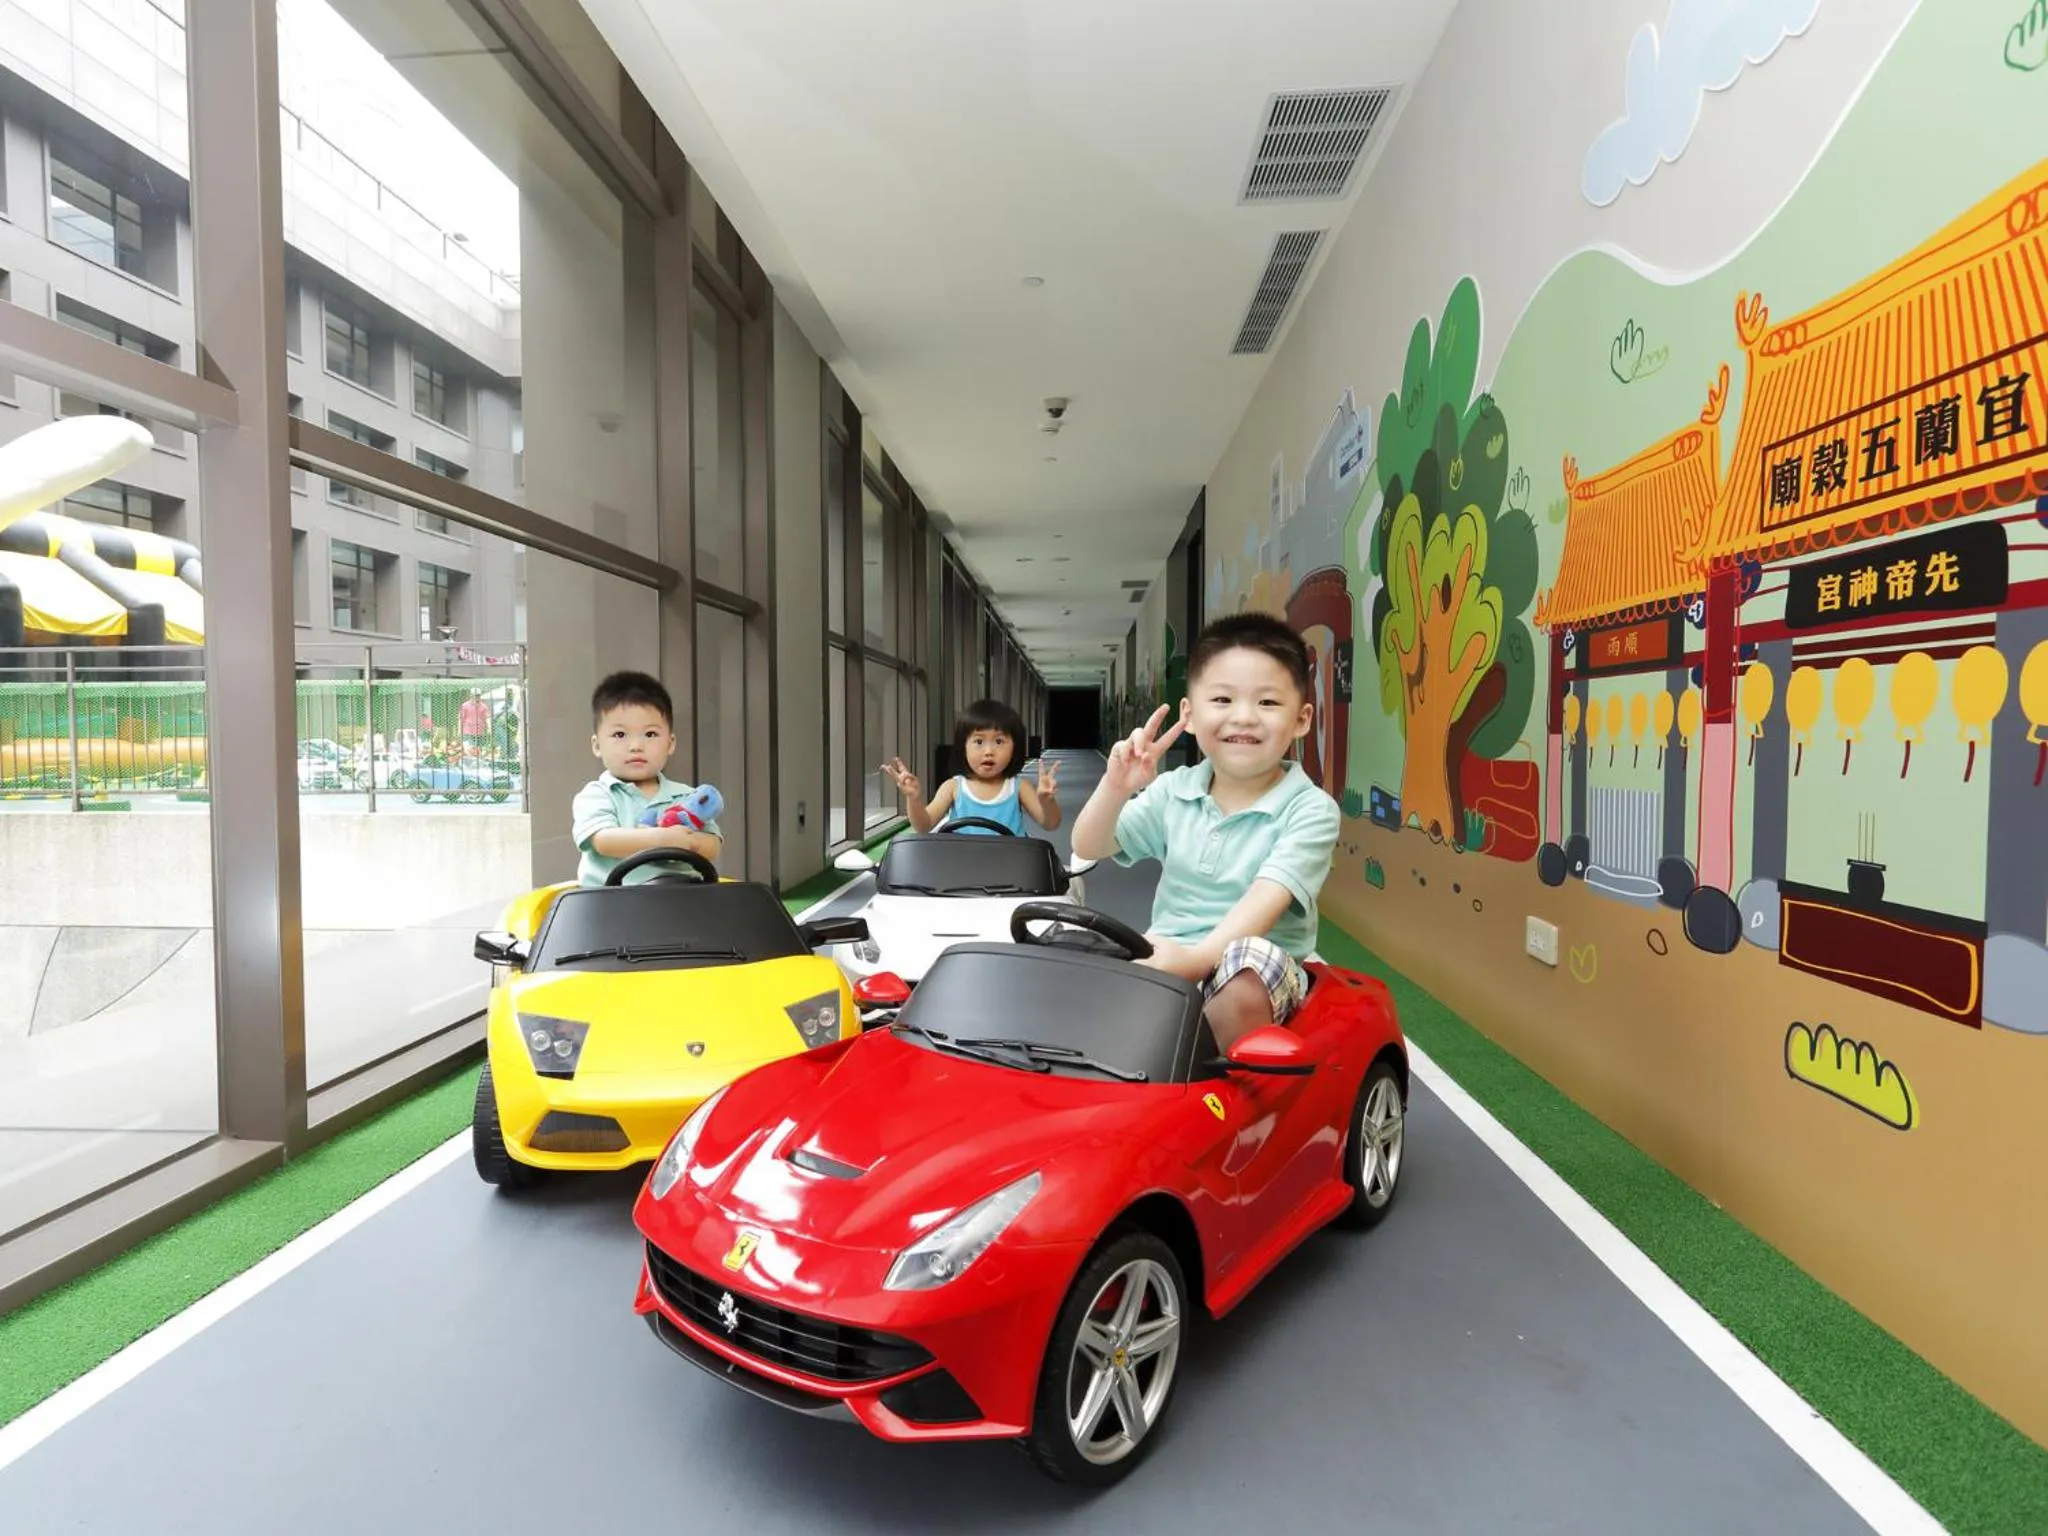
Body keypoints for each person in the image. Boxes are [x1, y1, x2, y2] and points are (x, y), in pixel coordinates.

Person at [1070, 612, 1339, 1051]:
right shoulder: (1176, 790)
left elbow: (1263, 902)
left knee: (1248, 963)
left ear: (1302, 719)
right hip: (1169, 952)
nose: (1244, 718)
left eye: (1268, 703)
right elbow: (1088, 845)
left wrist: (1195, 961)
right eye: (1223, 700)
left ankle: (1184, 1079)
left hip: (1257, 971)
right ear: (1190, 715)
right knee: (1074, 946)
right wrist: (1114, 787)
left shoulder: (1310, 810)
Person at [571, 670, 723, 887]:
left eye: (650, 734)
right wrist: (662, 840)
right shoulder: (597, 794)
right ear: (597, 745)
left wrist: (689, 843)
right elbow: (603, 841)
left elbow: (713, 845)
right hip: (610, 905)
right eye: (620, 735)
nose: (636, 746)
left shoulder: (687, 796)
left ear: (670, 743)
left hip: (681, 899)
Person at [882, 698, 1059, 836]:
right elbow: (923, 826)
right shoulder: (953, 787)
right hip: (961, 867)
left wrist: (1047, 802)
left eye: (999, 741)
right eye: (979, 742)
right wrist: (914, 799)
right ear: (963, 747)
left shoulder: (1018, 787)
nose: (989, 751)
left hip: (1011, 867)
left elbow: (1050, 824)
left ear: (1015, 747)